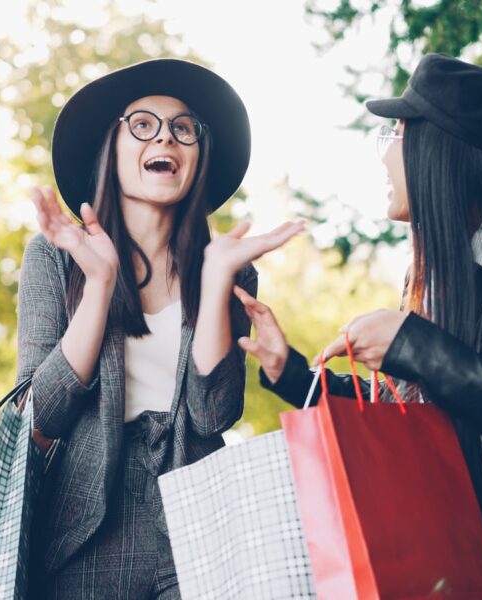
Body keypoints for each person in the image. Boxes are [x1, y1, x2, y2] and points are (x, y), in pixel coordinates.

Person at [235, 54, 482, 599]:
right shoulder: (434, 279)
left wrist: (416, 345)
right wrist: (294, 375)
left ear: (441, 150)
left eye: (397, 133)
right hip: (448, 567)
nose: (385, 156)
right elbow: (410, 417)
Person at [17, 59, 302, 598]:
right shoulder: (56, 258)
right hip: (83, 533)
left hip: (199, 527)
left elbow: (214, 414)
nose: (166, 137)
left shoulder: (230, 266)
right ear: (112, 146)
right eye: (143, 124)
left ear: (197, 155)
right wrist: (99, 284)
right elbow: (41, 415)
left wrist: (216, 281)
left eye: (184, 128)